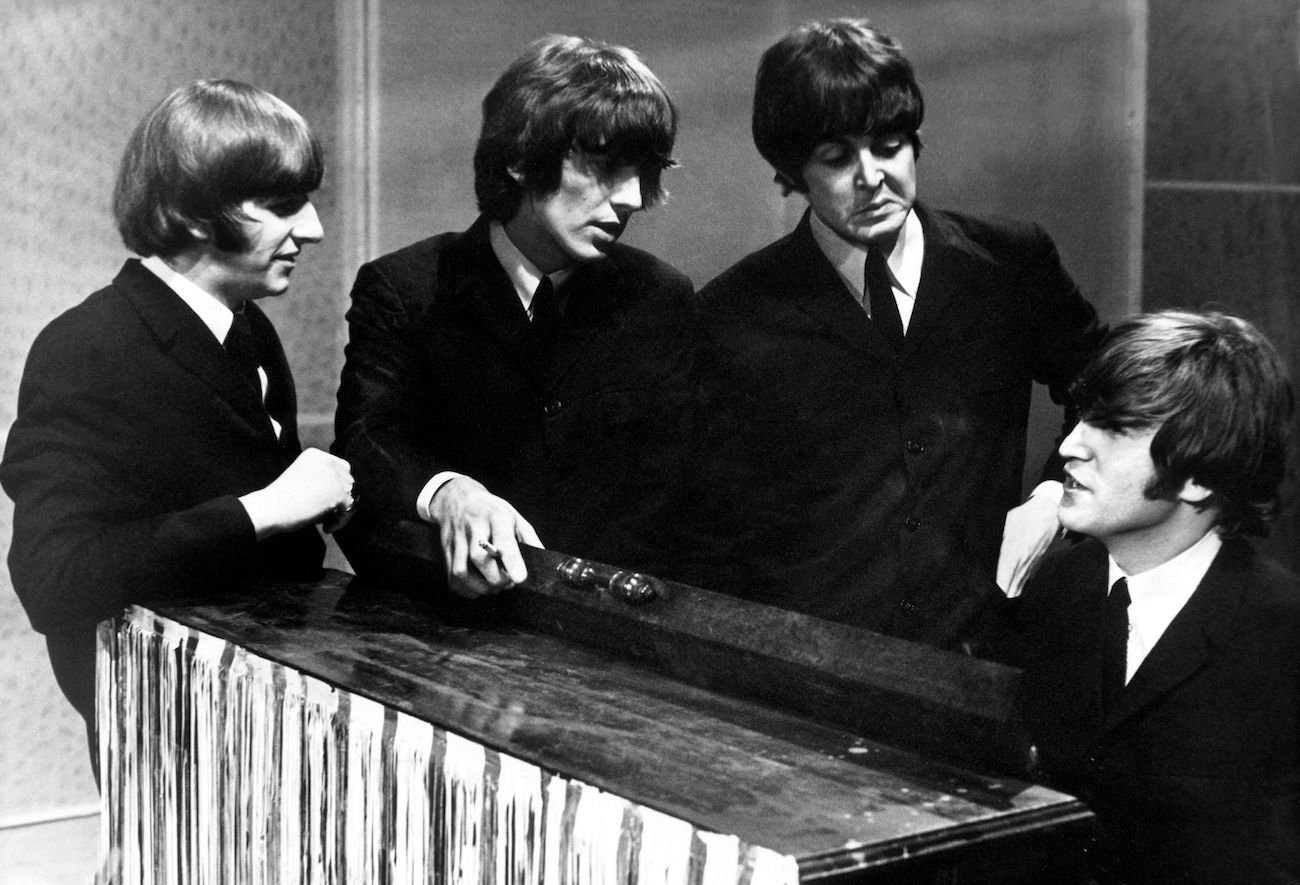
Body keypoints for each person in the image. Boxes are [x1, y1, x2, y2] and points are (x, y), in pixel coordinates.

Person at [685, 18, 1104, 647]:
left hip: (982, 650)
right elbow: (708, 527)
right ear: (792, 173)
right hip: (810, 663)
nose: (872, 176)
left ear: (915, 143)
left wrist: (1053, 497)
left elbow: (1105, 385)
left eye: (888, 146)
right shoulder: (731, 312)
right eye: (836, 158)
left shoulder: (1010, 263)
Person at [1, 79, 355, 777]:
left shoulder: (250, 330)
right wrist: (263, 511)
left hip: (271, 717)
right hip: (168, 743)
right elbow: (54, 578)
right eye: (283, 205)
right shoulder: (85, 346)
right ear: (192, 214)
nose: (313, 229)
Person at [333, 35, 696, 601]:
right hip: (447, 623)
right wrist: (450, 492)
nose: (631, 197)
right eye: (605, 166)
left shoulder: (660, 297)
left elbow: (677, 498)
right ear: (521, 160)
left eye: (644, 171)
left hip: (611, 626)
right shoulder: (407, 288)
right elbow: (368, 440)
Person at [991, 310, 1299, 883]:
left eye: (1114, 428)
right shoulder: (1056, 586)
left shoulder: (1281, 633)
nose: (1070, 446)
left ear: (1200, 477)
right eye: (1084, 417)